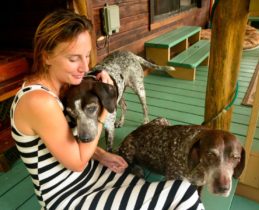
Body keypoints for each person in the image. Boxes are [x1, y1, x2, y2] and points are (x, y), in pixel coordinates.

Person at [10, 9, 204, 210]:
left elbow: (68, 141)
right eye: (74, 58)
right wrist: (105, 108)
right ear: (46, 57)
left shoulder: (62, 86)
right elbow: (76, 162)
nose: (85, 67)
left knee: (153, 191)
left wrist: (101, 154)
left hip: (89, 174)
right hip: (67, 196)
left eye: (87, 56)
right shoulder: (39, 101)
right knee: (184, 192)